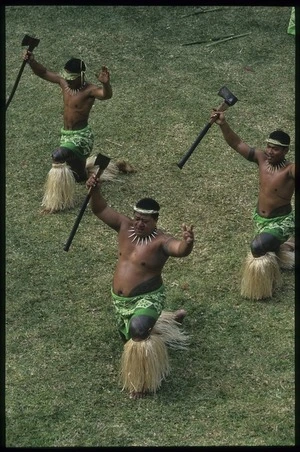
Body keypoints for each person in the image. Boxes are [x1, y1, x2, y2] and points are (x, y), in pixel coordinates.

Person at [86, 171, 194, 399]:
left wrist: (187, 243)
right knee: (130, 336)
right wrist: (95, 190)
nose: (139, 224)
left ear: (155, 220)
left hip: (148, 297)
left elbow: (179, 250)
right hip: (121, 302)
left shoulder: (162, 241)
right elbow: (100, 209)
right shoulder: (125, 227)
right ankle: (168, 320)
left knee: (138, 332)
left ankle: (143, 383)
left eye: (145, 221)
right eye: (136, 218)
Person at [23, 51, 135, 213]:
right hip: (66, 135)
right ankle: (93, 171)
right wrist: (31, 61)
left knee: (58, 156)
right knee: (78, 176)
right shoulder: (64, 84)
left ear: (81, 75)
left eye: (72, 78)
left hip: (82, 137)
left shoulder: (89, 90)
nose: (68, 80)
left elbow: (105, 95)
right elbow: (43, 72)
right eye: (66, 77)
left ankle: (57, 201)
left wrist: (106, 84)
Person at [211, 109, 295, 300]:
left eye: (276, 148)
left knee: (257, 246)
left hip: (281, 222)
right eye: (268, 146)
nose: (270, 151)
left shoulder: (290, 170)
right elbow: (237, 143)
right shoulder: (261, 158)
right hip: (260, 220)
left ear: (286, 151)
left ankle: (263, 289)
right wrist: (223, 124)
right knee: (269, 246)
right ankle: (290, 248)